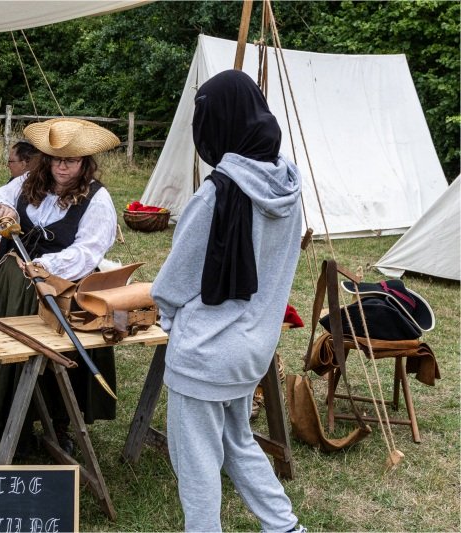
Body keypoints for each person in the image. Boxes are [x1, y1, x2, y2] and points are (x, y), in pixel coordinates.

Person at [151, 69, 305, 532]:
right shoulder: (289, 188)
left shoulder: (217, 194)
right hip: (255, 343)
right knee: (238, 441)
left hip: (206, 348)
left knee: (196, 459)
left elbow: (176, 281)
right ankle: (284, 526)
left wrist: (166, 314)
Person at [0, 118, 120, 455]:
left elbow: (88, 251)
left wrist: (47, 264)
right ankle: (14, 423)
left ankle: (59, 423)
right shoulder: (29, 181)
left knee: (58, 360)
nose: (61, 167)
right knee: (14, 351)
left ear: (85, 161)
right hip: (16, 286)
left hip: (63, 287)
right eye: (56, 159)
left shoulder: (97, 199)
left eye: (70, 160)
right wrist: (3, 209)